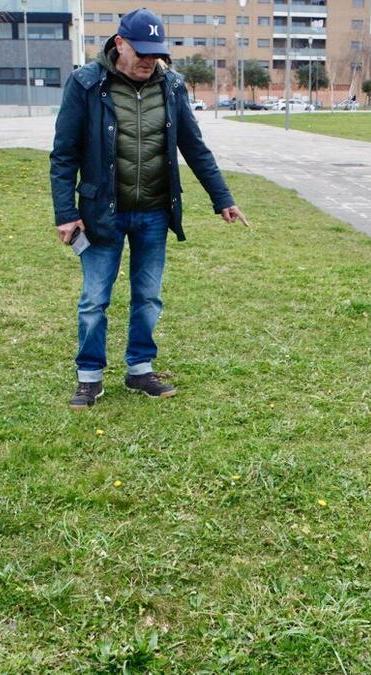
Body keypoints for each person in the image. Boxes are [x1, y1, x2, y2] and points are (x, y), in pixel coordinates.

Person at [50, 7, 249, 410]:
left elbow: (194, 147)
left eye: (156, 53)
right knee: (94, 299)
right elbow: (64, 154)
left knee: (148, 296)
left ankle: (140, 369)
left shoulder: (172, 86)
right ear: (119, 43)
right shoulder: (86, 83)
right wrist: (65, 212)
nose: (148, 61)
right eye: (141, 51)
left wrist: (222, 198)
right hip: (101, 213)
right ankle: (89, 377)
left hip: (154, 212)